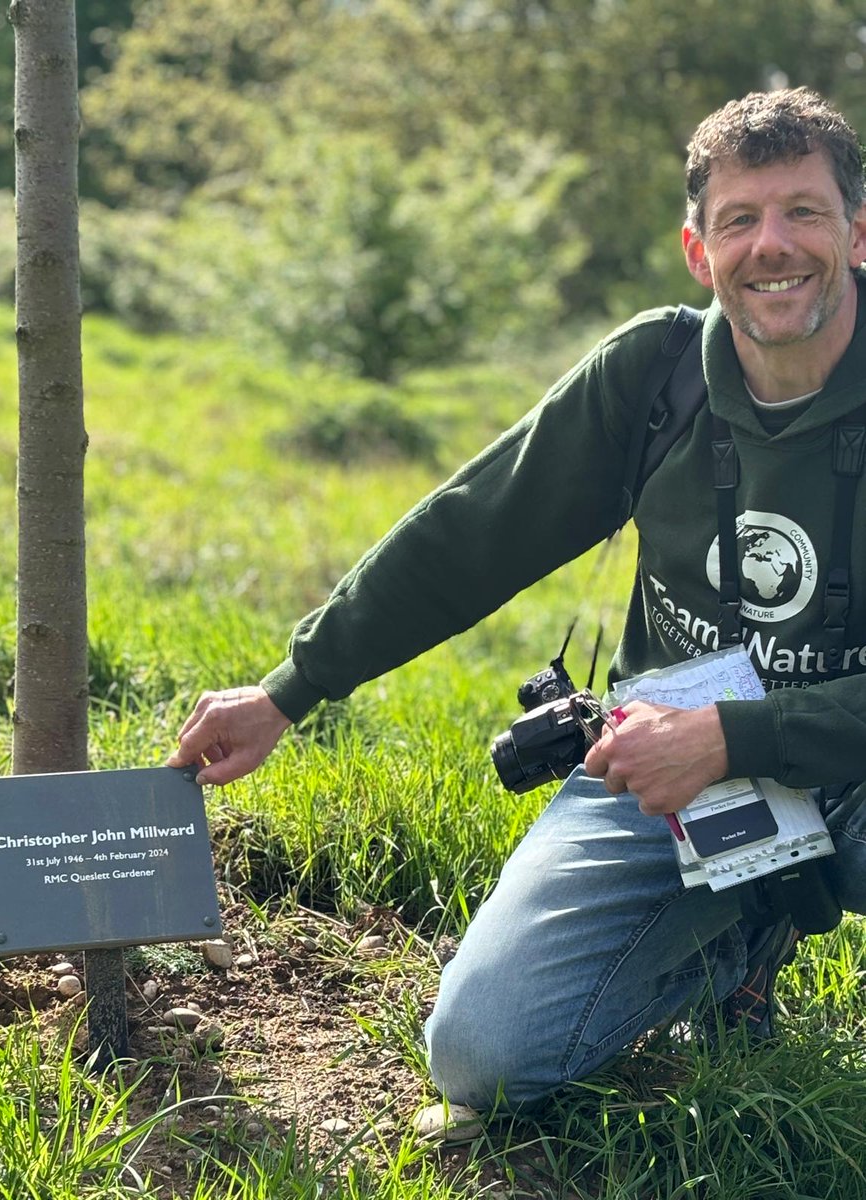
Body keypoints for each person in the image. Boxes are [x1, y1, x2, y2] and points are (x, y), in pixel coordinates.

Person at [169, 87, 866, 1111]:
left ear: (858, 232)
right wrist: (289, 690)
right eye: (740, 220)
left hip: (844, 758)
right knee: (481, 1055)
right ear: (694, 248)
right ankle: (733, 951)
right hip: (671, 769)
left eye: (804, 212)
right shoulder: (655, 377)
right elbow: (470, 534)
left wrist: (740, 736)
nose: (774, 245)